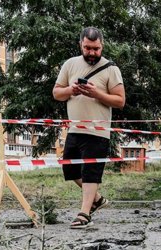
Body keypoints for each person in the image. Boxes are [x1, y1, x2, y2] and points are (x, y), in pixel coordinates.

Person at [52, 27, 125, 229]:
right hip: (74, 129)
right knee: (70, 170)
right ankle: (98, 199)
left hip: (98, 131)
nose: (91, 52)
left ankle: (84, 213)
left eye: (96, 48)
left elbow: (120, 101)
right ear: (81, 45)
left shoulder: (111, 69)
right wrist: (71, 90)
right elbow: (57, 93)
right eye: (87, 48)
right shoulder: (70, 64)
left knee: (91, 172)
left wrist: (96, 94)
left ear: (102, 46)